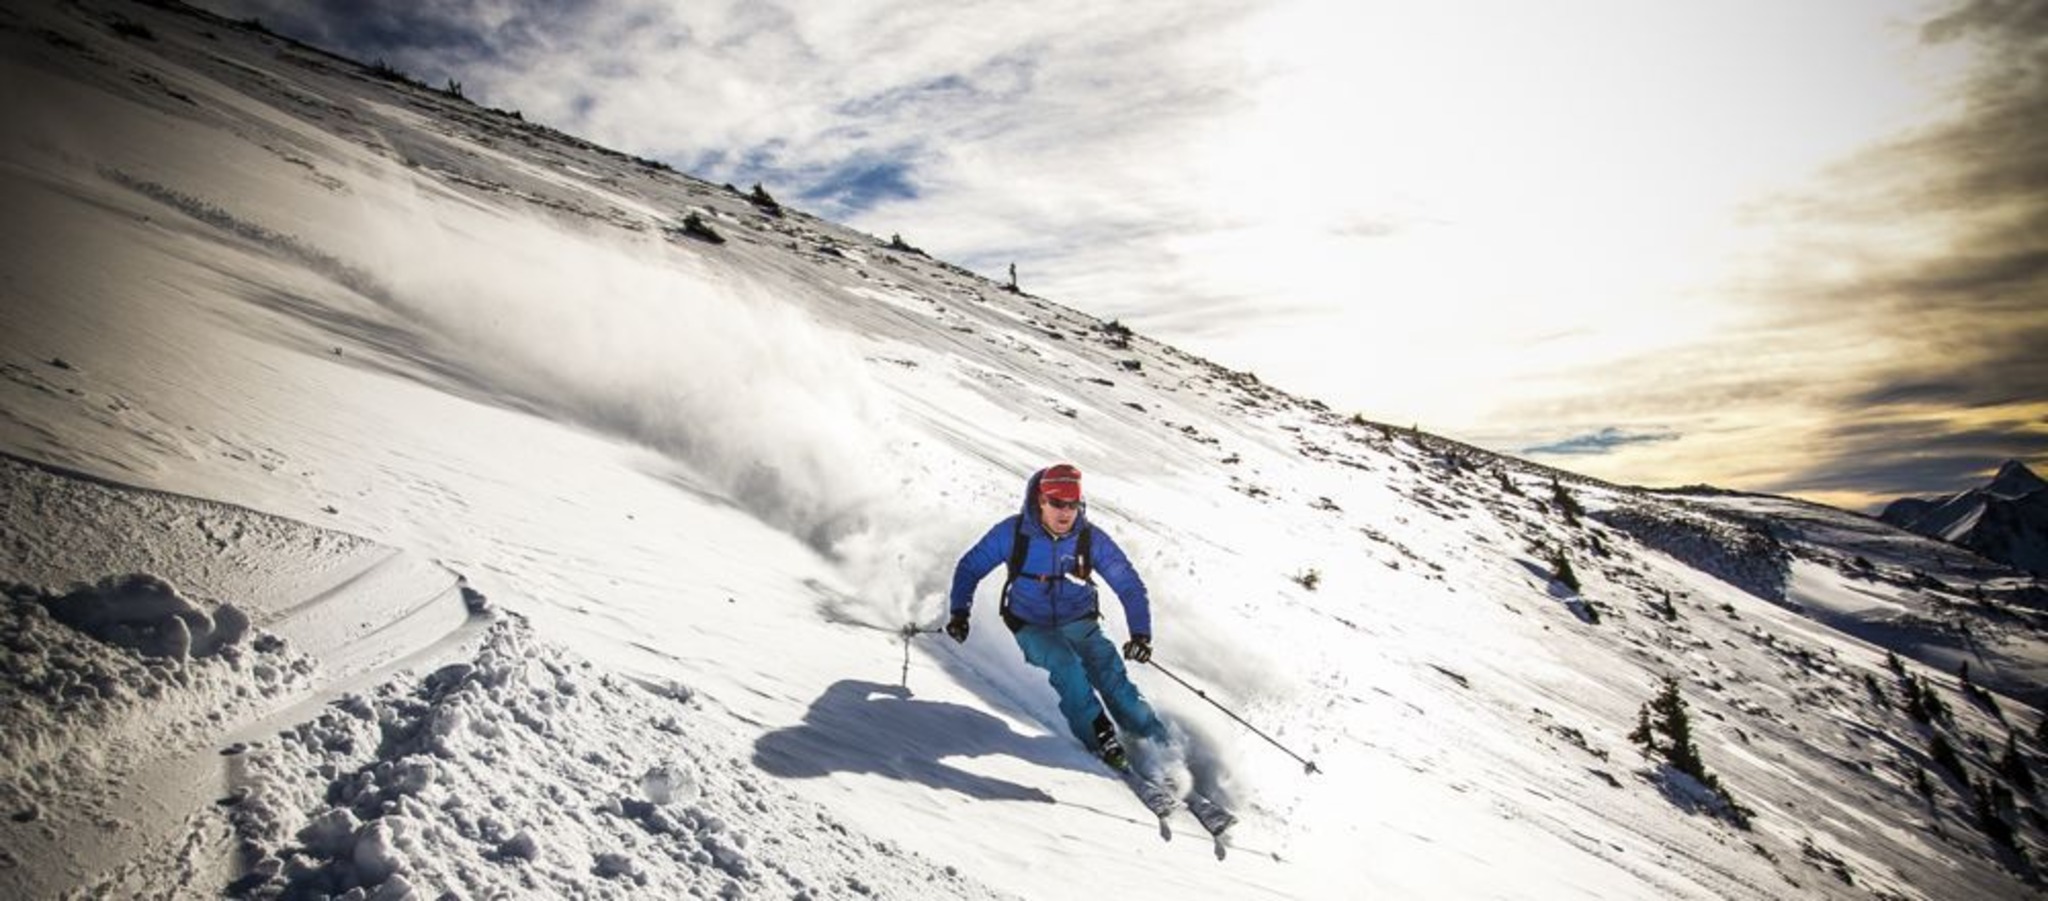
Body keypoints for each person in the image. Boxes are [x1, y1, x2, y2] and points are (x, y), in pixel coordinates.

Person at [947, 463, 1165, 770]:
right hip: (1031, 624)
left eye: (1073, 504)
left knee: (1113, 680)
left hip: (1080, 620)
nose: (1065, 512)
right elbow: (970, 567)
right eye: (1057, 503)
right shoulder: (1013, 533)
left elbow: (1128, 583)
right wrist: (960, 612)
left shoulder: (1090, 539)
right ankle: (1100, 736)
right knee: (1067, 668)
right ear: (1041, 500)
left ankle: (1158, 744)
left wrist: (1140, 635)